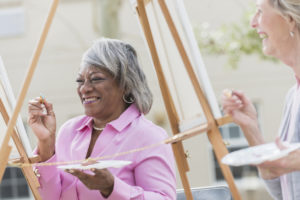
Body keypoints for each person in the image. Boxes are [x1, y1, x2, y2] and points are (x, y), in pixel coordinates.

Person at [28, 38, 176, 200]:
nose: (84, 89)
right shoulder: (69, 131)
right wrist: (46, 143)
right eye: (80, 81)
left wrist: (112, 187)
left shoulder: (148, 136)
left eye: (96, 79)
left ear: (125, 84)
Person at [222, 0, 300, 199]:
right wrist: (251, 128)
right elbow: (283, 191)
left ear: (289, 19)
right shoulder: (293, 96)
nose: (253, 23)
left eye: (259, 12)